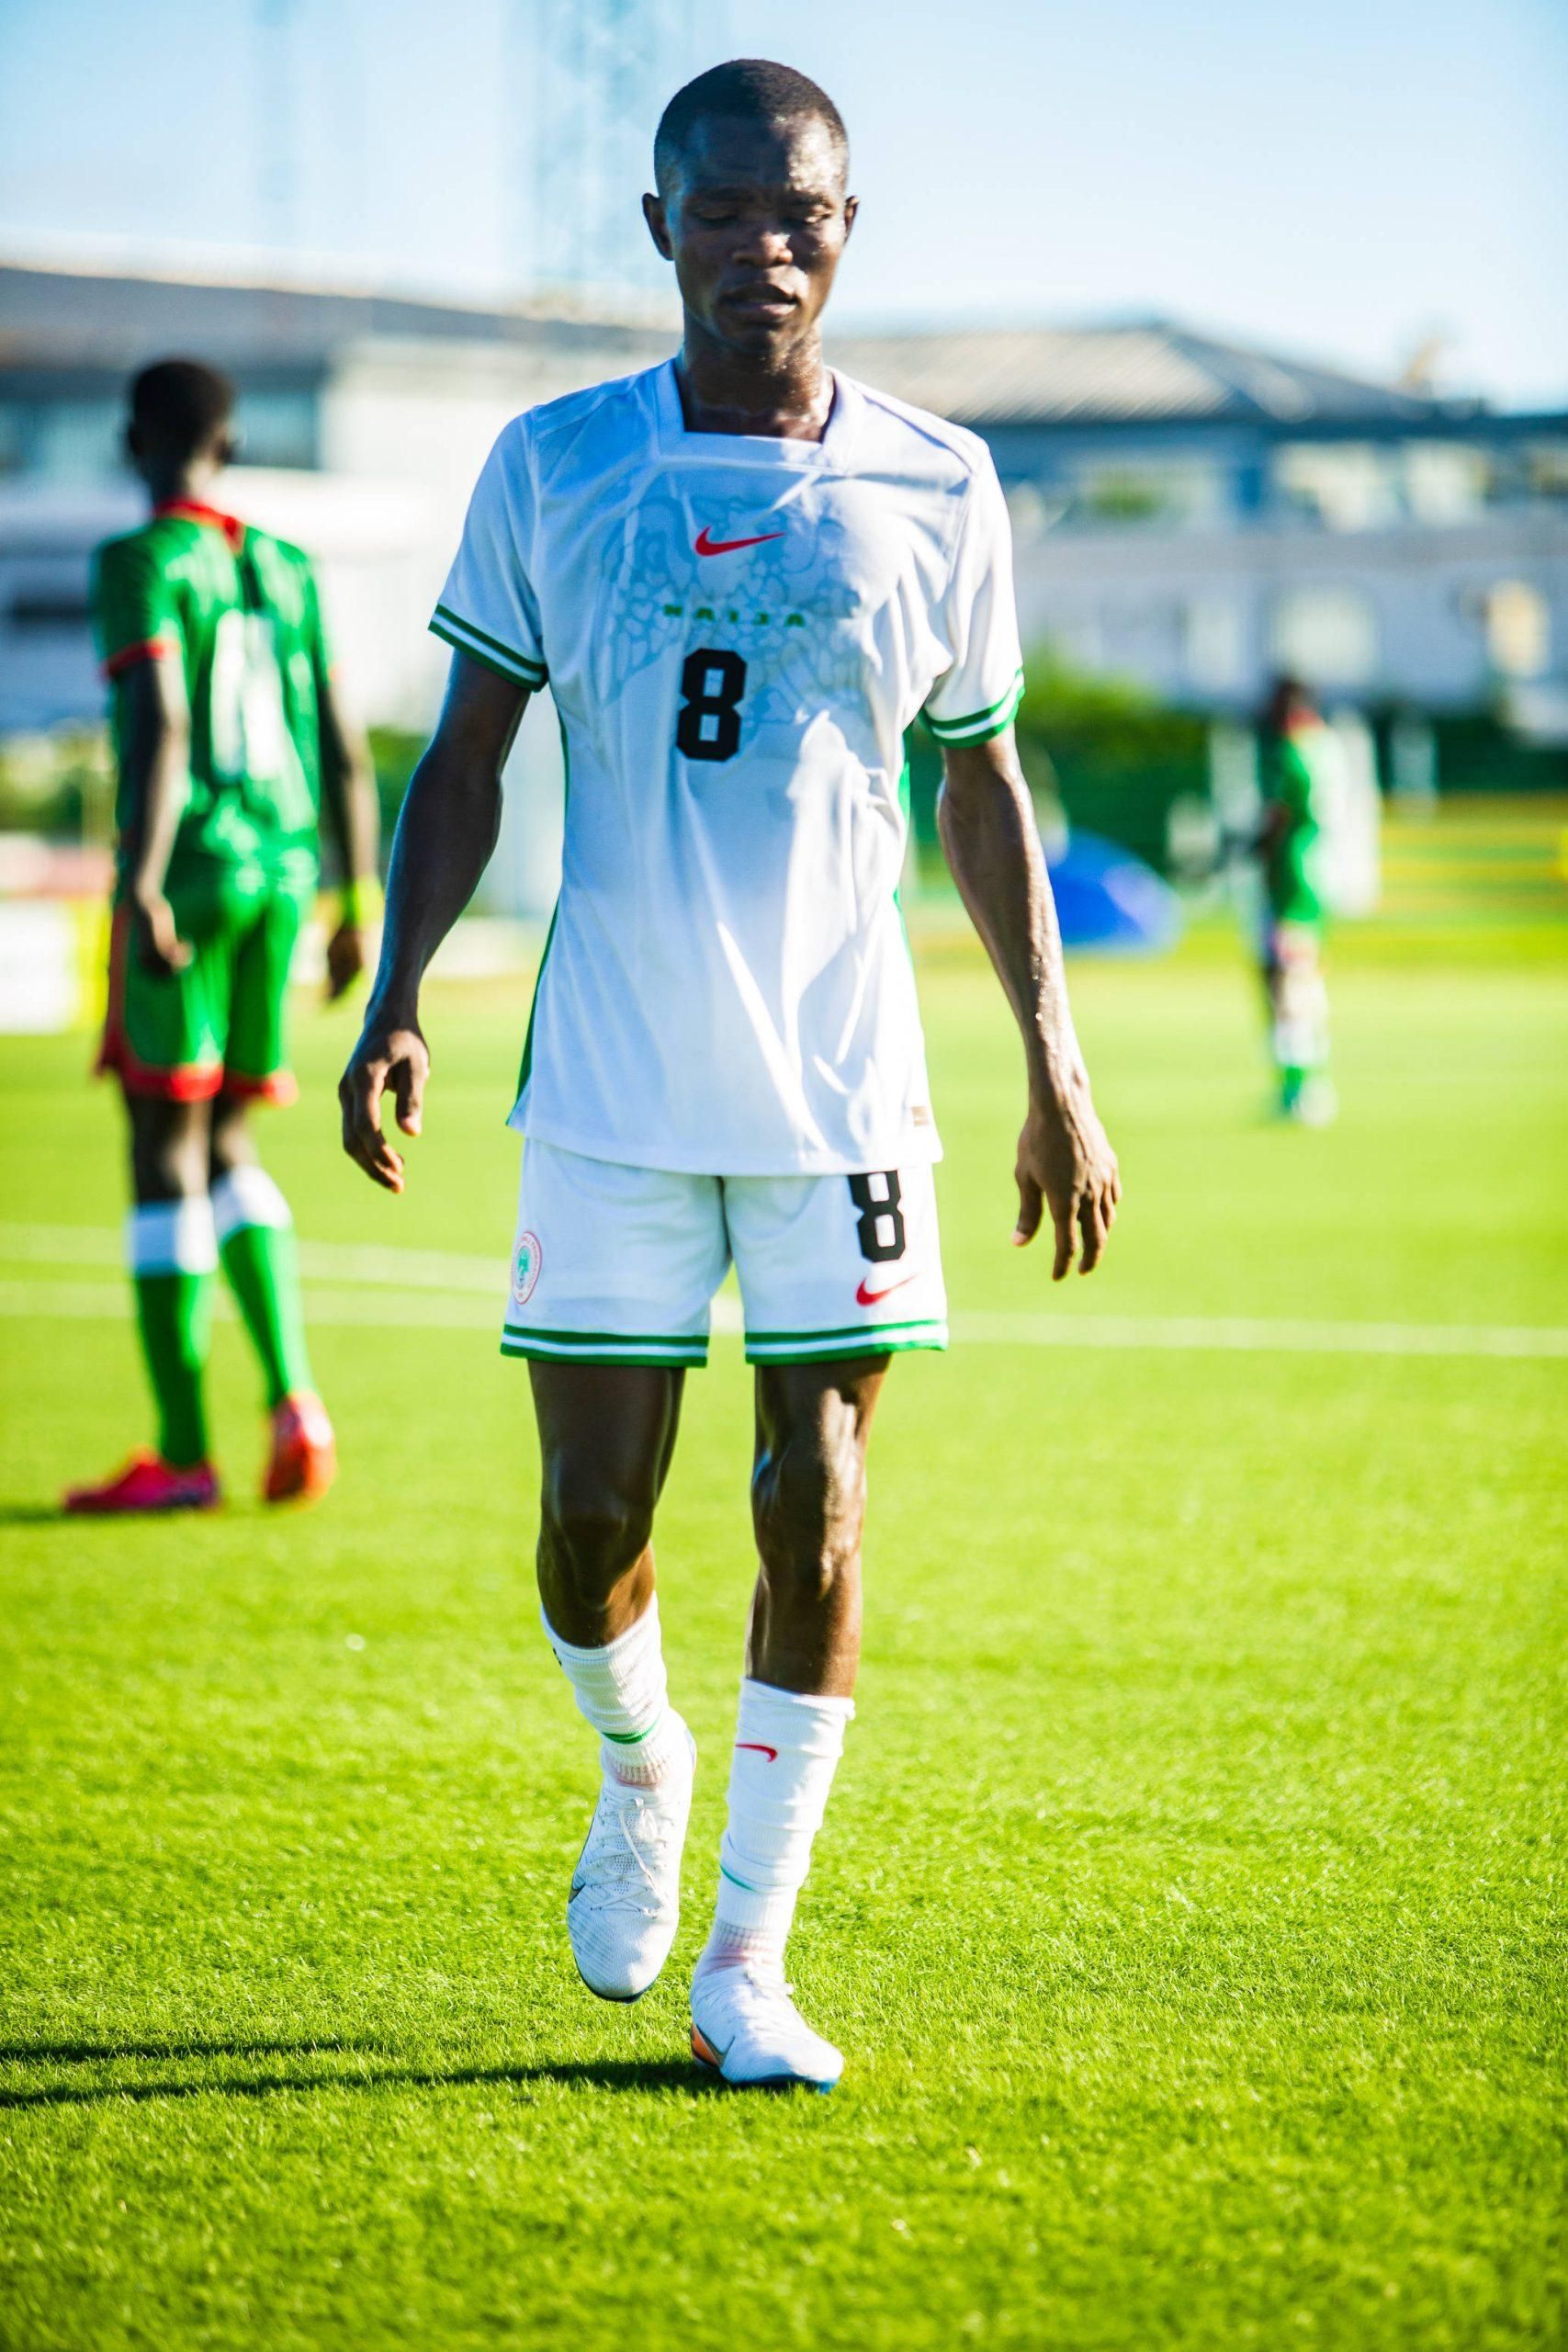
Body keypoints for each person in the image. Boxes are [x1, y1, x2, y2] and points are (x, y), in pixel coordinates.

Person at [340, 59, 1120, 2090]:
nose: (765, 246)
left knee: (819, 1500)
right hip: (605, 1080)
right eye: (725, 209)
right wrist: (398, 988)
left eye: (804, 214)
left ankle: (748, 1961)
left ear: (847, 232)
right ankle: (638, 1756)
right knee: (587, 1520)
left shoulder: (941, 480)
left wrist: (1056, 1062)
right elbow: (467, 756)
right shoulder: (551, 463)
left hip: (844, 1090)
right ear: (657, 223)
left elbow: (984, 784)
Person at [67, 358, 379, 1516]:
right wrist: (358, 902)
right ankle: (296, 1400)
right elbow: (345, 744)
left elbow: (163, 721)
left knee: (162, 1147)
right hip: (286, 870)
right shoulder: (290, 569)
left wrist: (138, 881)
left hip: (190, 871)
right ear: (232, 447)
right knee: (233, 1140)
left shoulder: (140, 563)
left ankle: (186, 1451)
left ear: (130, 440)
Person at [1253, 675, 1338, 1125]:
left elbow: (1277, 815)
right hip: (1315, 878)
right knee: (1303, 980)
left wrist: (1252, 846)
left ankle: (1300, 1088)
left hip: (1290, 883)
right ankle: (1305, 1084)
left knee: (1287, 986)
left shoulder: (1290, 752)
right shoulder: (1326, 747)